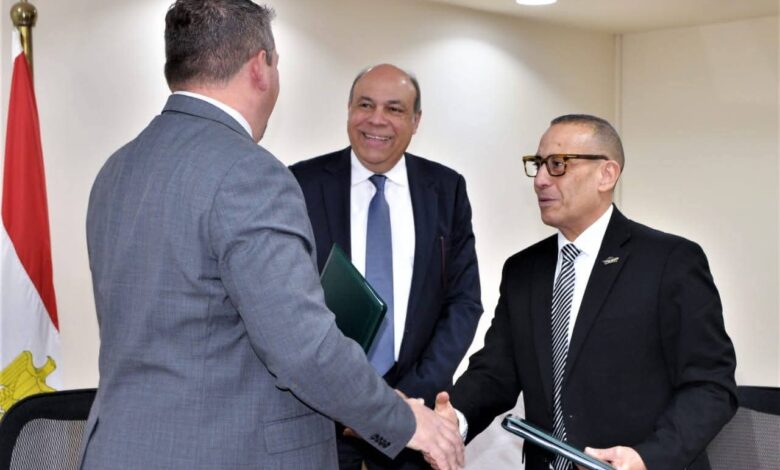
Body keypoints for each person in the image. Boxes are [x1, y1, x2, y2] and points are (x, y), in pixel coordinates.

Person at [79, 2, 464, 469]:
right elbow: (304, 349)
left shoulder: (117, 169)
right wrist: (408, 422)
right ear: (260, 66)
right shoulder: (250, 173)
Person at [440, 114, 737, 470]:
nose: (540, 180)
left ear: (606, 174)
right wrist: (452, 420)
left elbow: (710, 385)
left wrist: (647, 457)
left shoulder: (670, 261)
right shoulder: (523, 270)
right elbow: (496, 373)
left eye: (558, 164)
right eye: (537, 164)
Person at [290, 64, 483, 469]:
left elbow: (463, 303)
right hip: (322, 423)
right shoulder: (300, 184)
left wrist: (404, 403)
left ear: (416, 121)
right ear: (348, 110)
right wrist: (353, 399)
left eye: (394, 109)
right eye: (365, 105)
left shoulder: (446, 190)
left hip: (416, 422)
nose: (376, 119)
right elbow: (288, 304)